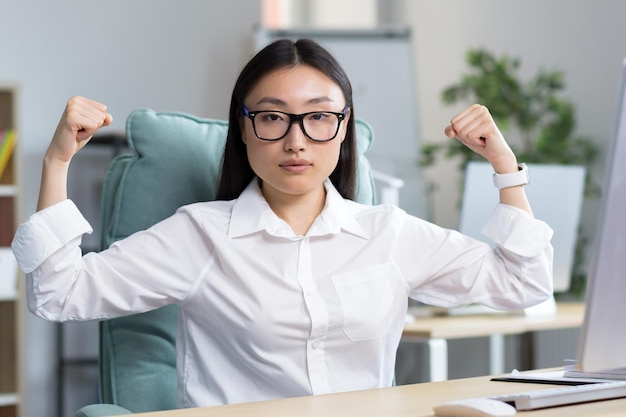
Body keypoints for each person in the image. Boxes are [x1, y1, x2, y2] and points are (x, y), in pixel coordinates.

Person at [11, 38, 553, 408]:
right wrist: (56, 162)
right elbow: (58, 294)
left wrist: (506, 169)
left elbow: (523, 282)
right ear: (243, 131)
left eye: (318, 117)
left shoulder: (387, 233)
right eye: (272, 117)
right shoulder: (200, 235)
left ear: (343, 130)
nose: (296, 140)